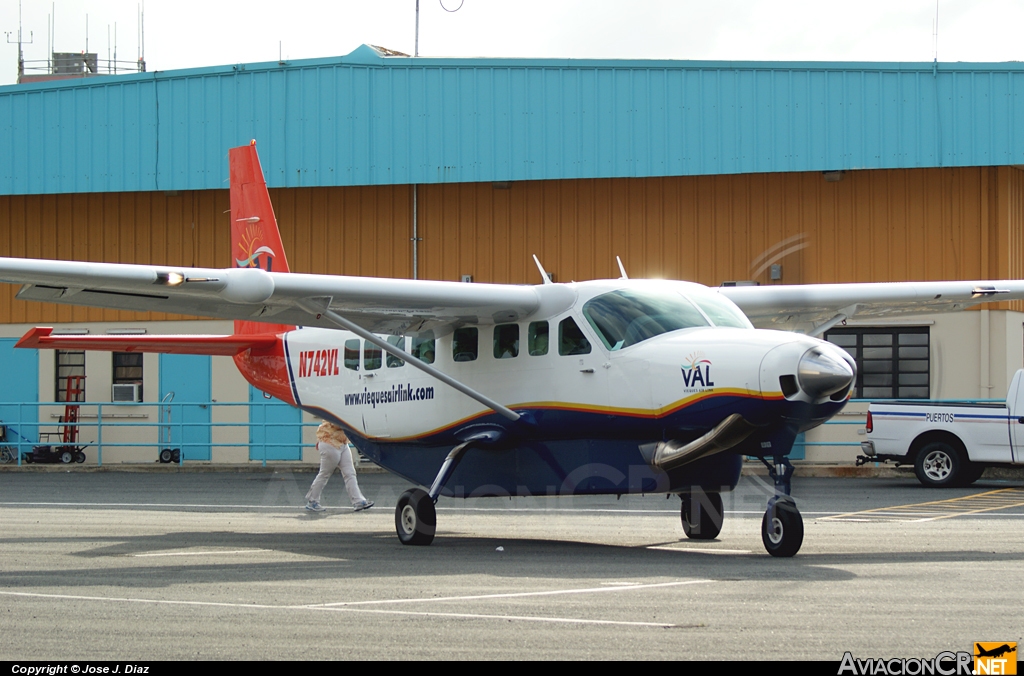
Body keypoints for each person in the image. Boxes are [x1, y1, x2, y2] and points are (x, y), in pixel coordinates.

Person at [305, 421, 373, 512]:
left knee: (350, 472)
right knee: (325, 473)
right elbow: (336, 423)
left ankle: (358, 501)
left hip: (342, 442)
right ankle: (312, 501)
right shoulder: (337, 410)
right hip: (329, 442)